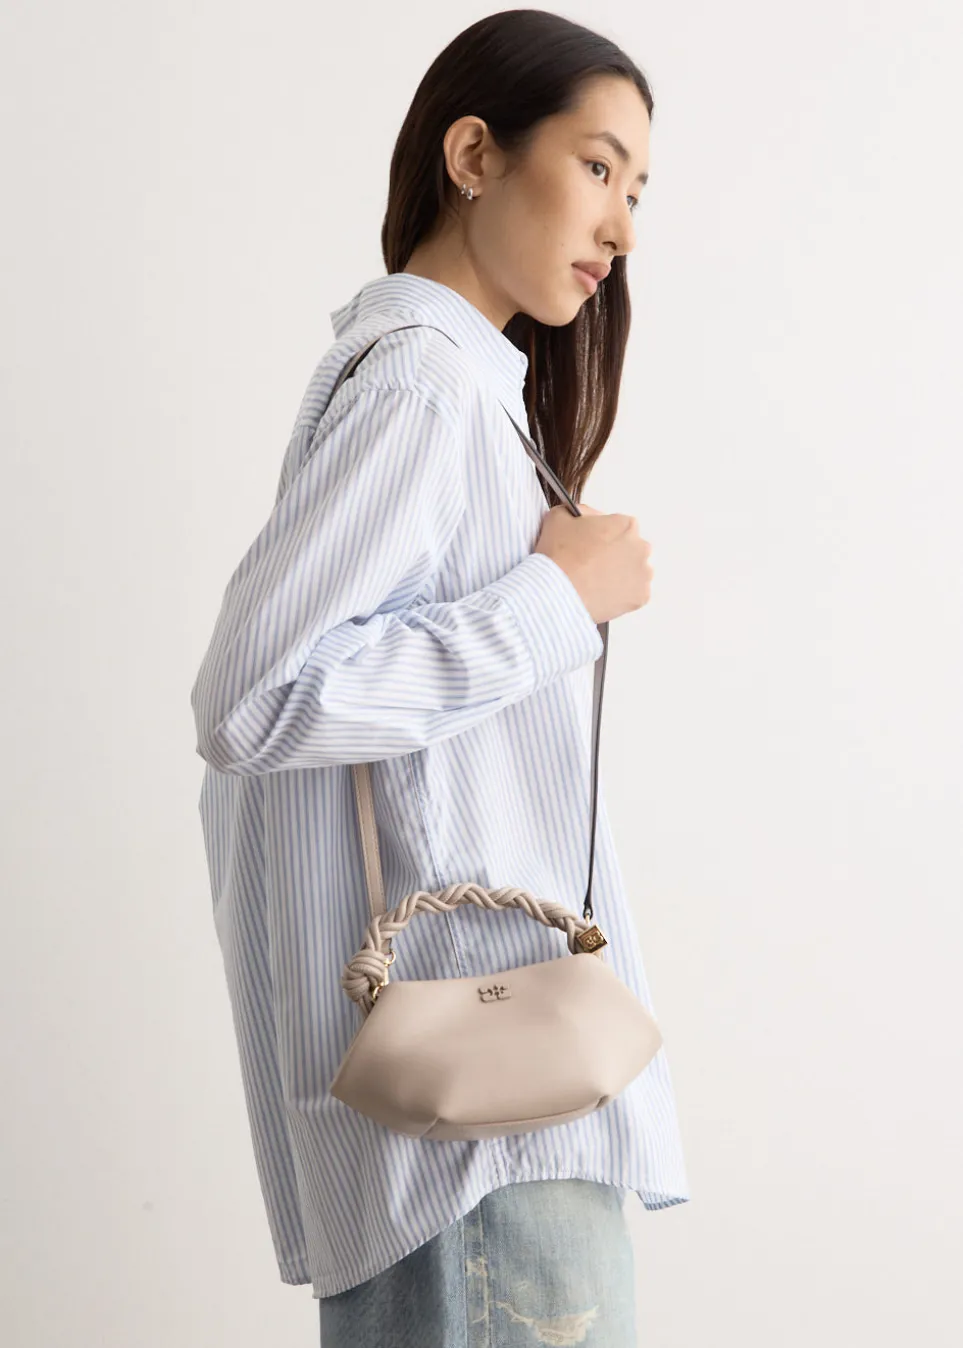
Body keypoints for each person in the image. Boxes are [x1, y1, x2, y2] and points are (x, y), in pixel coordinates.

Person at [190, 9, 690, 1344]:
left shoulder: (464, 390)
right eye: (597, 166)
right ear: (473, 155)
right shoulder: (423, 386)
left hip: (491, 1101)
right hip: (476, 1136)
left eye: (637, 189)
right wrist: (557, 602)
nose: (621, 227)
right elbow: (250, 701)